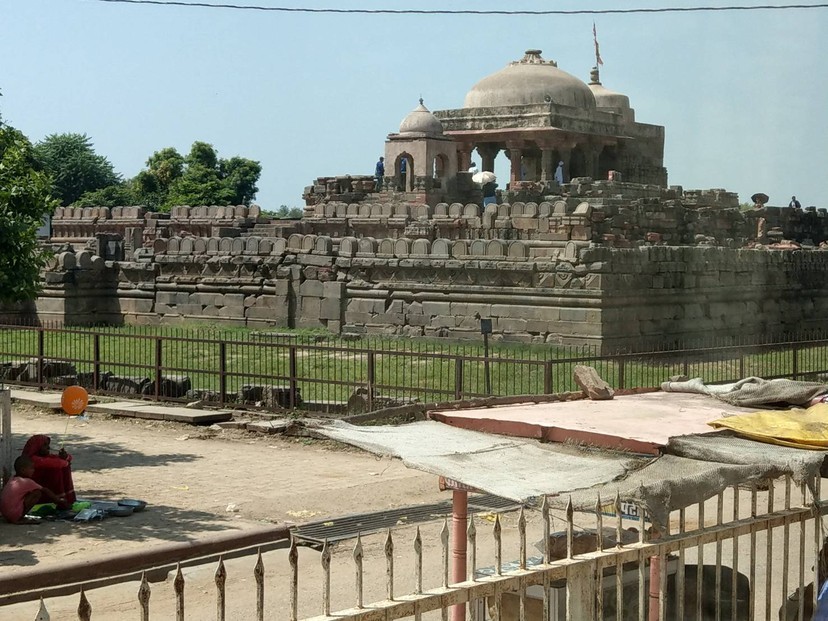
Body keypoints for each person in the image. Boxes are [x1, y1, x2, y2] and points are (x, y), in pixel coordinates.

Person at [1, 455, 66, 523]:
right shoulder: (27, 482)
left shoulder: (12, 478)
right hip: (13, 514)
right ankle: (19, 518)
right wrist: (58, 500)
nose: (34, 470)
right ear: (23, 470)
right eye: (31, 468)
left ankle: (16, 515)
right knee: (37, 493)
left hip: (5, 514)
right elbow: (45, 490)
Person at [21, 434, 76, 504]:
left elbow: (67, 459)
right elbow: (57, 463)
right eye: (45, 445)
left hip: (44, 488)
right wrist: (66, 461)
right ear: (37, 447)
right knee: (55, 469)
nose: (48, 447)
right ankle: (57, 500)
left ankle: (64, 499)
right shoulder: (32, 459)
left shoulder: (45, 457)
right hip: (36, 491)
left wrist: (66, 457)